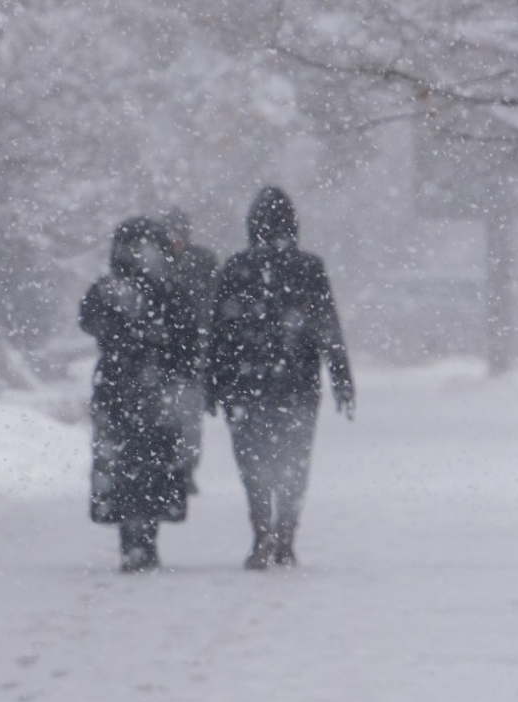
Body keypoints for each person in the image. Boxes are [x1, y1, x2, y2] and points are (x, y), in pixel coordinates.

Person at [205, 186, 355, 570]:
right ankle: (286, 536)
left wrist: (213, 384)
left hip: (246, 385)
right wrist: (341, 379)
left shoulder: (236, 268)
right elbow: (327, 328)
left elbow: (219, 333)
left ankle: (261, 533)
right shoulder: (309, 267)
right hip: (297, 384)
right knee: (294, 461)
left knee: (253, 462)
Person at [80, 217, 199, 572]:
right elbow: (187, 339)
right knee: (154, 463)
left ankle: (131, 538)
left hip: (118, 387)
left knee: (123, 463)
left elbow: (88, 321)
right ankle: (145, 535)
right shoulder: (170, 289)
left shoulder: (109, 288)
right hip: (156, 390)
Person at [161, 207, 219, 493]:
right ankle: (169, 466)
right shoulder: (157, 266)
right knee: (168, 416)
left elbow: (213, 304)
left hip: (191, 355)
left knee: (189, 419)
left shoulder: (202, 262)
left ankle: (184, 469)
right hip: (165, 357)